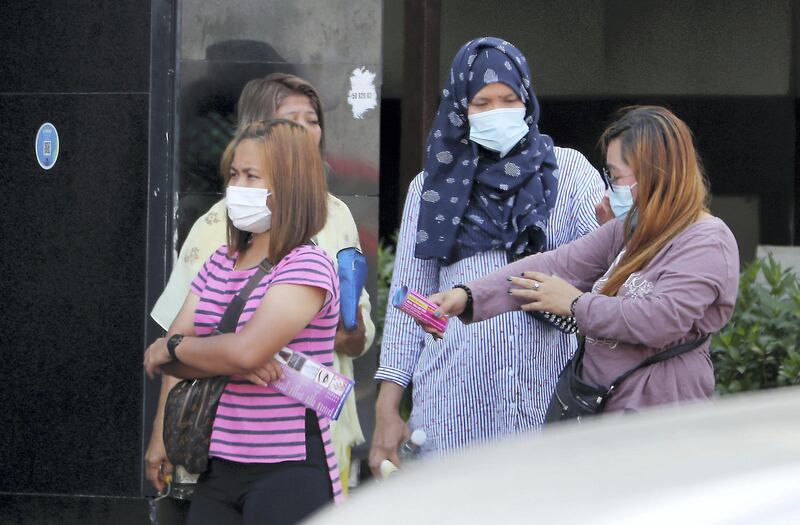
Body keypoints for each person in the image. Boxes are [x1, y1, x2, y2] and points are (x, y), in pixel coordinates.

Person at [370, 37, 605, 473]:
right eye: (482, 102)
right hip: (453, 401)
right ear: (461, 108)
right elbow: (411, 302)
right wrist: (387, 408)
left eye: (508, 99)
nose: (497, 111)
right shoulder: (432, 188)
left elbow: (607, 278)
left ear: (527, 99)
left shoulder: (570, 173)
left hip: (547, 394)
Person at [146, 73, 373, 496]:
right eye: (291, 121)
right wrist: (162, 429)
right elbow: (178, 343)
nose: (305, 132)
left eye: (312, 120)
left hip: (308, 436)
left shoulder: (336, 217)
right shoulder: (215, 234)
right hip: (219, 443)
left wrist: (351, 330)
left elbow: (193, 349)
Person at [429, 106, 740, 412]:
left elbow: (660, 319)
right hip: (604, 414)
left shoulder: (707, 241)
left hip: (659, 425)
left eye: (616, 176)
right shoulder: (629, 230)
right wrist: (467, 295)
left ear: (654, 174)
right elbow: (556, 265)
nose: (610, 186)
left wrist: (576, 305)